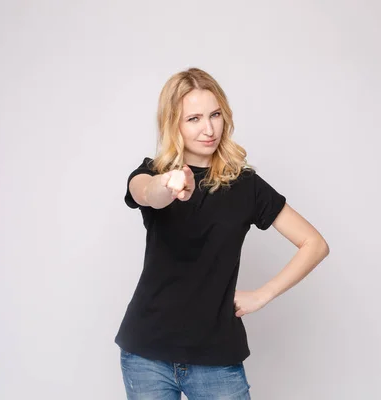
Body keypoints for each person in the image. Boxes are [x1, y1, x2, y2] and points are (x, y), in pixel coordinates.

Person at [115, 67, 330, 399]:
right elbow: (146, 193)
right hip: (147, 354)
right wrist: (169, 184)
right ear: (174, 125)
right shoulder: (151, 173)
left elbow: (314, 244)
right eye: (194, 119)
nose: (208, 128)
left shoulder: (246, 187)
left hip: (216, 359)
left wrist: (263, 294)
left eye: (215, 115)